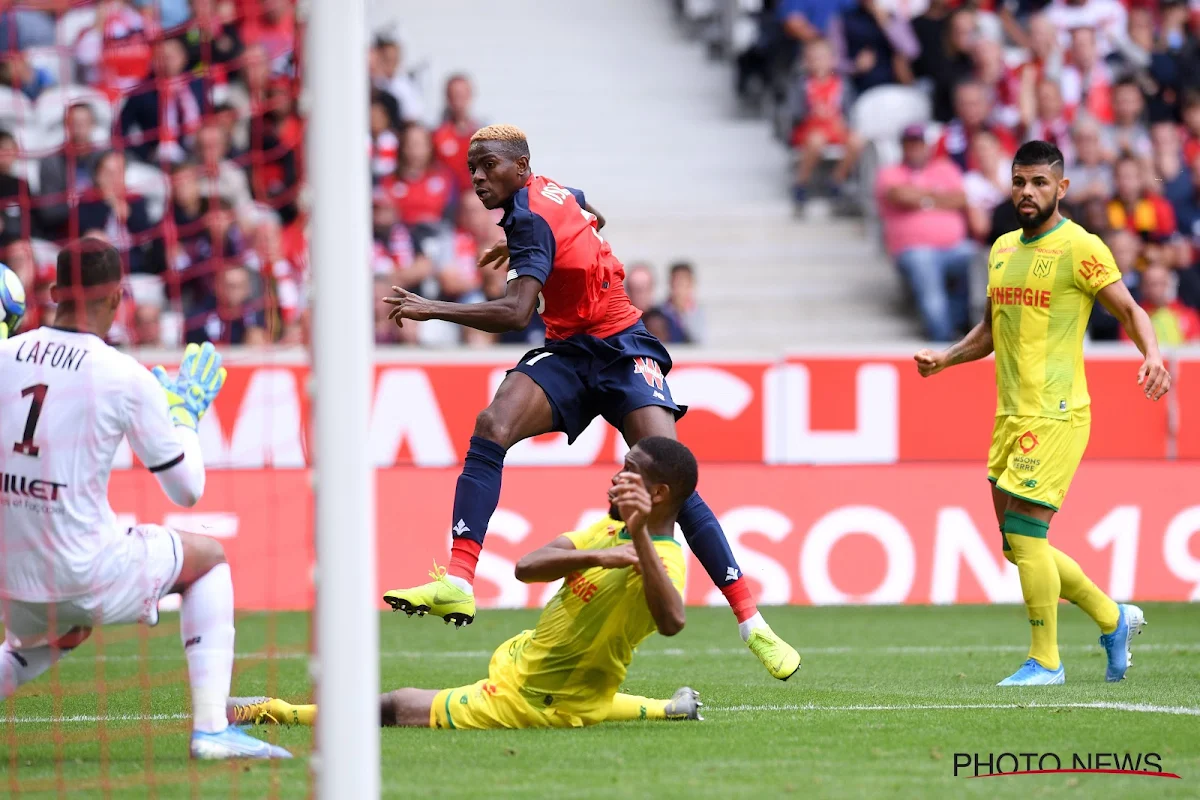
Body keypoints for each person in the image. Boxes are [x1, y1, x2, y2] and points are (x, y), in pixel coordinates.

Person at [380, 124, 801, 680]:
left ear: (522, 169)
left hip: (623, 347)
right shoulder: (551, 195)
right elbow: (591, 214)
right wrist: (533, 246)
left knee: (669, 472)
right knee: (492, 424)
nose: (478, 178)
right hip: (570, 353)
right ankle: (458, 581)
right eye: (472, 169)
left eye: (488, 167)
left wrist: (432, 308)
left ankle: (754, 624)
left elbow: (513, 313)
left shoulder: (533, 215)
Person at [0, 238, 288, 759]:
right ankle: (211, 730)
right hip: (83, 569)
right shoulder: (124, 376)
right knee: (208, 560)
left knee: (60, 632)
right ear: (117, 297)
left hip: (11, 580)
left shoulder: (5, 355)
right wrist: (183, 416)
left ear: (55, 290)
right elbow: (187, 490)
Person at [913, 140, 1169, 686]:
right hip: (1010, 414)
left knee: (1027, 536)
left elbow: (1129, 308)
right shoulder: (1003, 247)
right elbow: (989, 329)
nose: (1027, 193)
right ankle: (1112, 616)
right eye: (1019, 182)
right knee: (1016, 546)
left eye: (1039, 183)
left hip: (1057, 414)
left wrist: (1152, 354)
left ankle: (1046, 659)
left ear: (1062, 188)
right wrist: (946, 358)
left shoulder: (1080, 246)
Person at [231, 438, 704, 730]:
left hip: (535, 699)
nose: (615, 478)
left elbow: (673, 621)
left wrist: (639, 536)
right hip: (542, 668)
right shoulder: (609, 533)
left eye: (629, 472)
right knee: (592, 699)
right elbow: (527, 566)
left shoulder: (662, 557)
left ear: (658, 494)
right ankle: (667, 709)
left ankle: (269, 711)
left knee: (398, 706)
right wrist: (600, 554)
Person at [875, 124, 974, 341]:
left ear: (926, 146)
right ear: (902, 147)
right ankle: (942, 338)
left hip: (954, 247)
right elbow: (899, 195)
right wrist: (937, 197)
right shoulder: (890, 172)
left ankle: (967, 330)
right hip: (913, 249)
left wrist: (921, 199)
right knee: (925, 264)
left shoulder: (945, 168)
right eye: (910, 144)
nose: (915, 149)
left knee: (974, 255)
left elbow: (960, 198)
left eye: (918, 144)